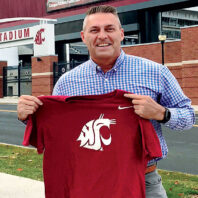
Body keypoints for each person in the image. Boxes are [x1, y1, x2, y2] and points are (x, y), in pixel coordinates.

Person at [17, 5, 195, 198]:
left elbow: (188, 117)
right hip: (86, 181)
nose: (102, 36)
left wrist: (161, 113)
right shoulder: (67, 82)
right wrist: (28, 116)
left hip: (143, 180)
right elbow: (57, 133)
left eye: (109, 29)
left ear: (121, 34)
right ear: (84, 37)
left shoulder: (155, 72)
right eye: (94, 30)